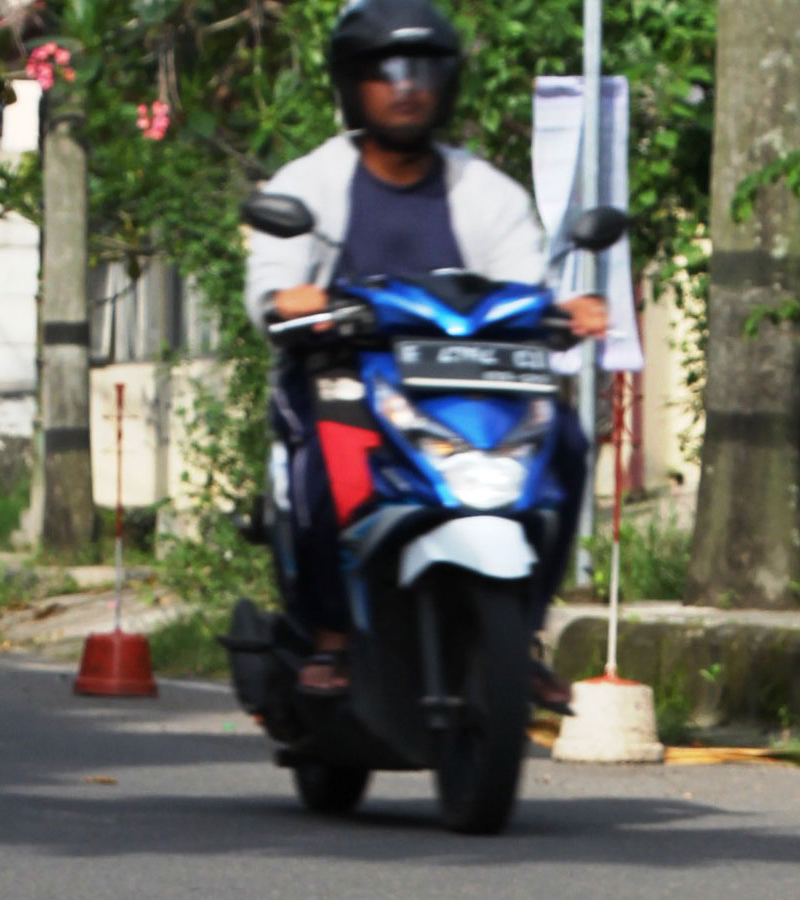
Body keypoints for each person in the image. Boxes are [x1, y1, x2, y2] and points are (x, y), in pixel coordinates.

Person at [245, 0, 610, 694]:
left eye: (423, 69)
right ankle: (330, 633)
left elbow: (524, 284)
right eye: (386, 70)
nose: (406, 85)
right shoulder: (311, 182)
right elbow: (271, 281)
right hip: (342, 374)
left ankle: (520, 630)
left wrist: (561, 313)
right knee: (327, 462)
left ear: (447, 83)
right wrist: (285, 299)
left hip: (469, 383)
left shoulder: (486, 191)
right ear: (354, 83)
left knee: (564, 442)